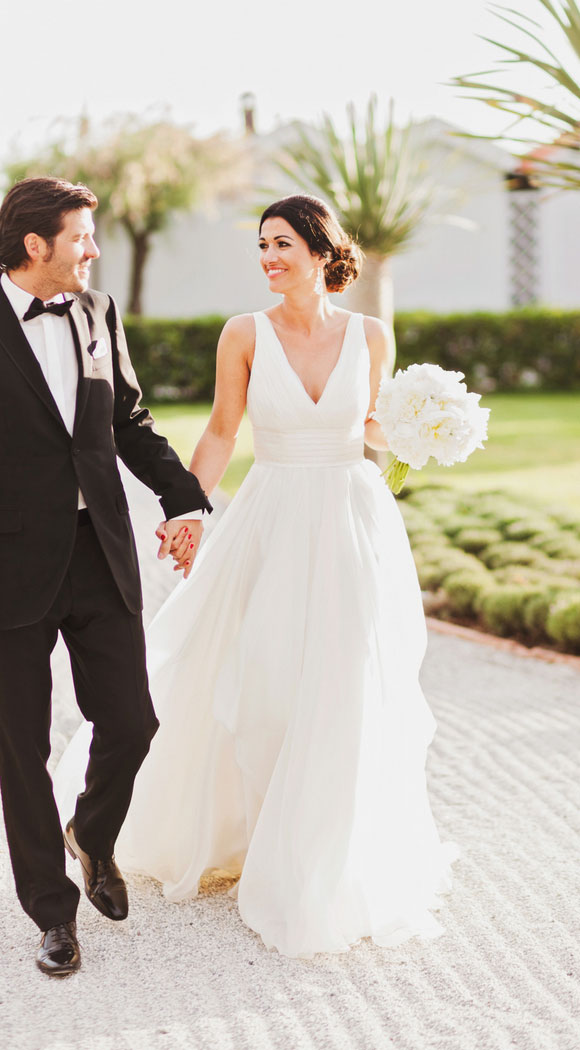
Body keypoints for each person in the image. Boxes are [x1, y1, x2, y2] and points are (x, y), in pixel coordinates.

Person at [54, 194, 457, 958]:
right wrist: (189, 511)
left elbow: (370, 425)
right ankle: (245, 831)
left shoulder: (371, 335)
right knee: (266, 685)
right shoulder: (244, 334)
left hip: (350, 519)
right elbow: (221, 428)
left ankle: (316, 859)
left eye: (283, 245)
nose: (269, 259)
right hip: (271, 520)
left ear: (320, 250)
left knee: (344, 686)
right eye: (263, 246)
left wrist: (421, 427)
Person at [0, 176, 211, 977]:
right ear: (34, 244)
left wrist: (187, 498)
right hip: (2, 569)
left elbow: (129, 424)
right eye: (82, 236)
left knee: (133, 721)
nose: (93, 249)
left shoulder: (96, 314)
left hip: (98, 551)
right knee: (22, 746)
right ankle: (52, 911)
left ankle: (94, 834)